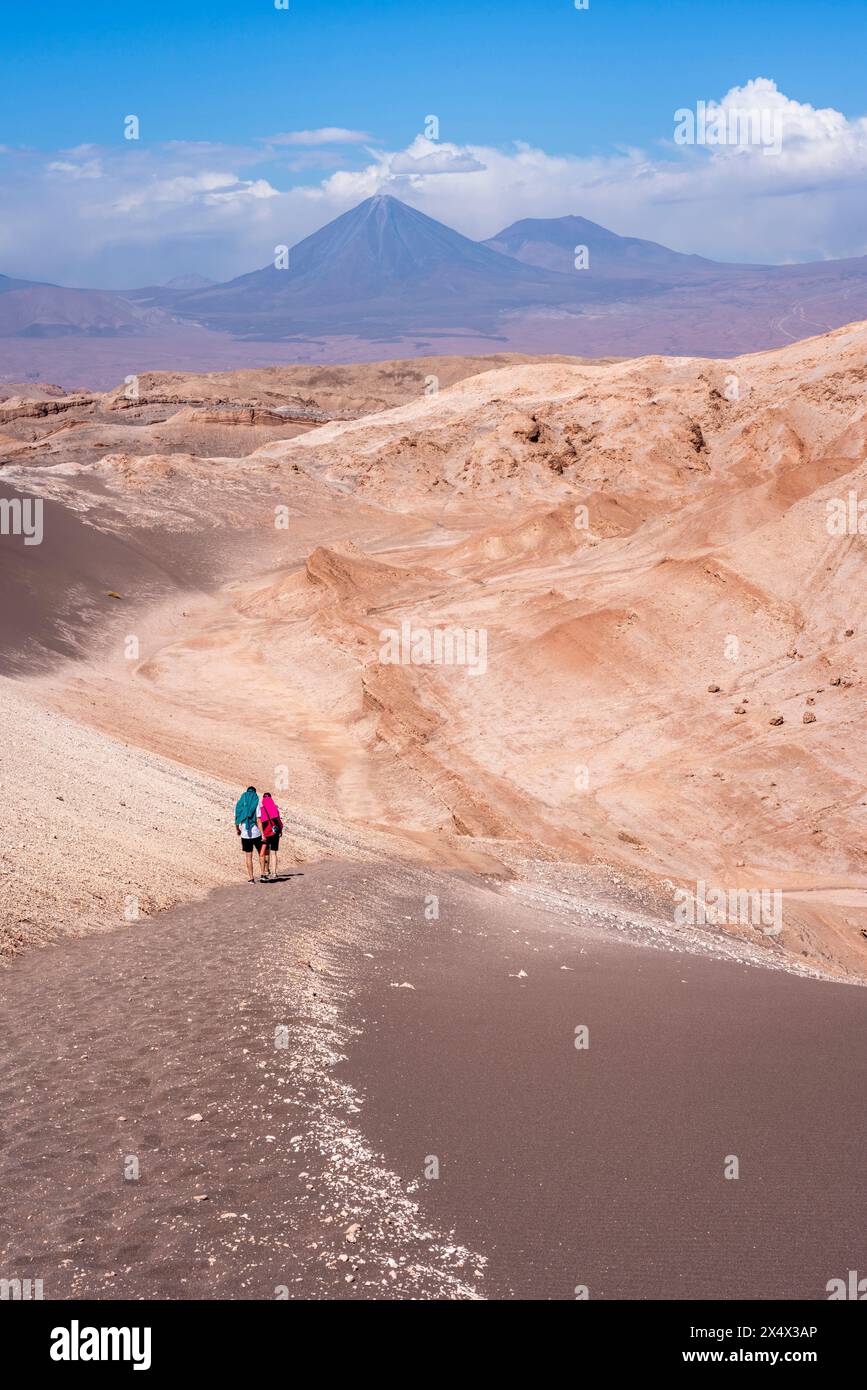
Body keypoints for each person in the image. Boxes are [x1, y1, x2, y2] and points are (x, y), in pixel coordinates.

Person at [235, 785, 265, 883]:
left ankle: (251, 879)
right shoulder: (256, 802)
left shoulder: (241, 803)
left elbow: (236, 817)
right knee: (261, 853)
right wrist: (263, 834)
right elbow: (258, 819)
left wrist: (238, 829)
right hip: (256, 833)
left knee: (248, 856)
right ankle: (263, 874)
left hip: (245, 834)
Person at [258, 791, 283, 882]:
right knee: (274, 853)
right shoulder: (274, 807)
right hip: (274, 833)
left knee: (265, 852)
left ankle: (265, 871)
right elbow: (278, 821)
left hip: (266, 834)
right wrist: (280, 830)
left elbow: (260, 821)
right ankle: (274, 873)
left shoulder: (261, 808)